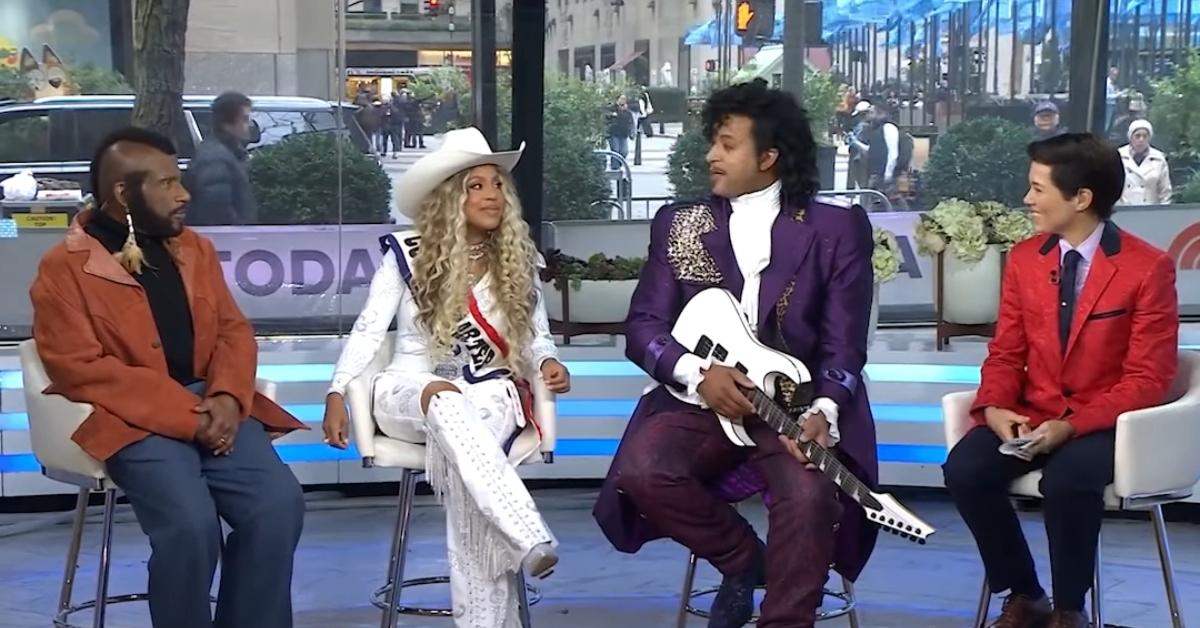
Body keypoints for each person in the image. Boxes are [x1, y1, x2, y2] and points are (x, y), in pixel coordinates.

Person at [593, 80, 878, 628]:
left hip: (797, 408)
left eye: (727, 145)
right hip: (700, 403)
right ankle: (745, 561)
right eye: (713, 143)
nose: (710, 156)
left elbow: (845, 343)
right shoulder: (681, 223)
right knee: (643, 470)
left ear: (768, 157)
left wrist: (826, 411)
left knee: (811, 496)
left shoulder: (835, 229)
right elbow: (643, 326)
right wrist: (697, 375)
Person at [29, 127, 307, 628]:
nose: (184, 194)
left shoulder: (193, 249)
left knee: (278, 507)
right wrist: (189, 416)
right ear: (123, 194)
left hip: (214, 406)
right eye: (167, 184)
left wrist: (225, 396)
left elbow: (231, 330)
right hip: (131, 420)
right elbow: (80, 368)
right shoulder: (62, 269)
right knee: (191, 526)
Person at [321, 127, 571, 628]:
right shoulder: (406, 256)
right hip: (409, 390)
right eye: (476, 185)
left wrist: (547, 362)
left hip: (490, 392)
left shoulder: (519, 261)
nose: (492, 195)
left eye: (497, 185)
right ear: (450, 197)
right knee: (443, 394)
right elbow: (369, 330)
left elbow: (537, 337)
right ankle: (526, 533)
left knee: (464, 462)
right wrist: (335, 390)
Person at [942, 133, 1179, 628]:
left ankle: (1070, 611)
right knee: (965, 468)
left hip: (1108, 421)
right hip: (1035, 411)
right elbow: (1006, 351)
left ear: (1081, 198)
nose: (1027, 200)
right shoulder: (1027, 260)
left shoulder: (1147, 268)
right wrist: (995, 407)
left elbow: (1149, 377)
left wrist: (1073, 425)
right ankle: (1026, 594)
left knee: (1068, 481)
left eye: (1037, 188)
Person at [185, 91, 259, 226]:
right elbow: (217, 211)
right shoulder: (215, 159)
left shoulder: (225, 153)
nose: (249, 125)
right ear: (226, 123)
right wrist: (240, 233)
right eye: (244, 119)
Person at [1119, 119, 1172, 206]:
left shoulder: (1159, 158)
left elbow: (1165, 192)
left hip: (1150, 212)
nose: (1141, 139)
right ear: (1130, 137)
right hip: (1124, 211)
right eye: (1137, 136)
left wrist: (1163, 213)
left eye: (1145, 136)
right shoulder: (1119, 156)